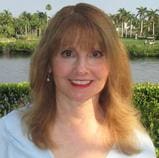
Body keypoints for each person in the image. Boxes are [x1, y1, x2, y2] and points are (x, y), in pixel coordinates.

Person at [0, 3, 156, 158]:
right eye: (68, 53)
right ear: (48, 63)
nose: (81, 69)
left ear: (112, 64)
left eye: (95, 54)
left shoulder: (137, 145)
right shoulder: (9, 135)